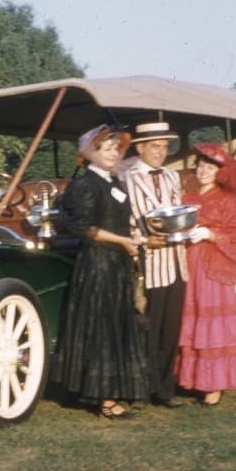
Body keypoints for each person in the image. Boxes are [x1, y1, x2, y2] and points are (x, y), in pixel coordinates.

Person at [50, 124, 152, 419]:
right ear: (91, 153)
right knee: (102, 332)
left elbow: (119, 221)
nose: (111, 153)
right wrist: (124, 241)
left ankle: (115, 391)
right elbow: (85, 230)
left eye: (115, 149)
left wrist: (133, 237)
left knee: (117, 328)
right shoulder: (85, 185)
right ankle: (105, 400)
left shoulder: (115, 183)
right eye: (105, 149)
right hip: (97, 265)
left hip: (117, 264)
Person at [175, 142, 236, 406]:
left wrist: (211, 234)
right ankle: (192, 379)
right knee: (193, 322)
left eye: (210, 167)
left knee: (212, 326)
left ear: (219, 172)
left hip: (214, 269)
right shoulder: (186, 198)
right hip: (190, 264)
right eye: (201, 165)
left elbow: (234, 239)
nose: (203, 171)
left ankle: (215, 384)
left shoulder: (227, 201)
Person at [119, 121, 188, 408]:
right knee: (147, 327)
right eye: (155, 147)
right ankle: (140, 390)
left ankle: (165, 390)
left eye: (164, 147)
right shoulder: (126, 178)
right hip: (149, 261)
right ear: (140, 148)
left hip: (177, 262)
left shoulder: (172, 176)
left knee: (171, 329)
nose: (161, 152)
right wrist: (145, 241)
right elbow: (124, 223)